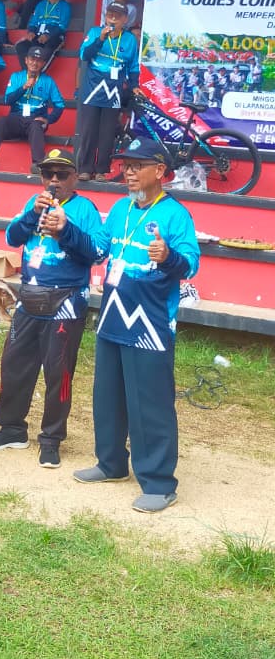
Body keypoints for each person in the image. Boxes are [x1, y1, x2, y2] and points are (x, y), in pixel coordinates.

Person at [73, 136, 200, 512]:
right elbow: (97, 249)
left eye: (136, 165)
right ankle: (110, 463)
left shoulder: (175, 214)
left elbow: (190, 263)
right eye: (125, 165)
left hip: (150, 321)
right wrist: (66, 230)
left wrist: (168, 256)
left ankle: (159, 482)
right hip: (113, 315)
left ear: (160, 171)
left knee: (150, 402)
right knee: (107, 396)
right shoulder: (119, 209)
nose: (127, 171)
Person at [0, 149, 102, 467]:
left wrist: (65, 231)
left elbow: (95, 253)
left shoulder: (86, 209)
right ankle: (11, 429)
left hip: (66, 301)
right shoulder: (33, 204)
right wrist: (32, 214)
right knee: (14, 365)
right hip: (30, 298)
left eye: (62, 175)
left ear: (74, 177)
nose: (54, 181)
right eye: (49, 174)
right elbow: (12, 236)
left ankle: (51, 439)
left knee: (58, 373)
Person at [0, 45, 64, 173]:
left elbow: (60, 105)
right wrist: (23, 88)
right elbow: (7, 100)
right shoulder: (16, 77)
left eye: (38, 60)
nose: (35, 63)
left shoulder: (48, 81)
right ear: (26, 60)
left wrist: (48, 119)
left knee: (36, 125)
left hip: (35, 120)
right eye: (32, 59)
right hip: (16, 118)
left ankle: (38, 164)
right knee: (0, 121)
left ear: (43, 63)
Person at [77, 0, 139, 181]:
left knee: (107, 132)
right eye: (110, 15)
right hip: (92, 89)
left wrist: (134, 85)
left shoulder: (129, 40)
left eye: (117, 17)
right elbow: (84, 55)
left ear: (125, 19)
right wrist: (100, 39)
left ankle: (102, 170)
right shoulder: (95, 32)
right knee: (89, 131)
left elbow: (133, 66)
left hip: (114, 92)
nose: (112, 19)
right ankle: (85, 169)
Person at [16, 0, 71, 69]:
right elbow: (33, 23)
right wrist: (31, 32)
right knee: (21, 46)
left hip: (54, 37)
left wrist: (48, 35)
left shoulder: (65, 6)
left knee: (48, 48)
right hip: (38, 35)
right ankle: (28, 72)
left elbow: (62, 27)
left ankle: (38, 73)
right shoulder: (41, 5)